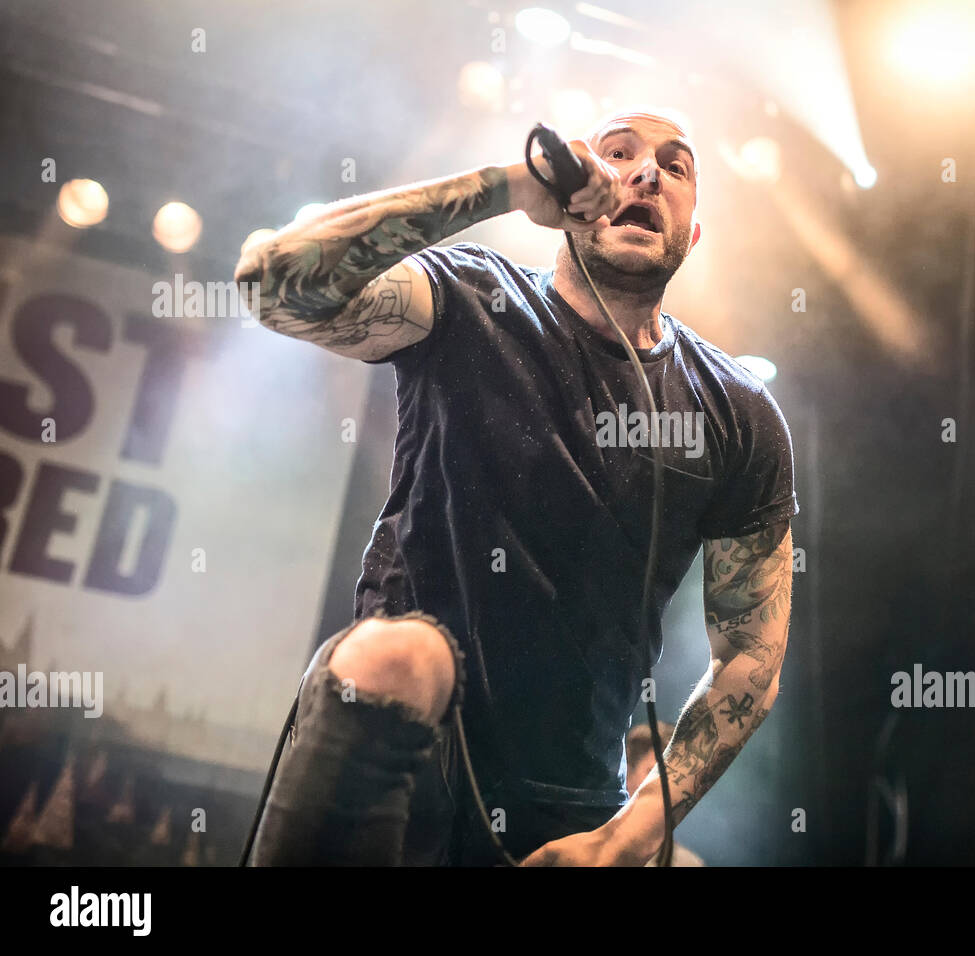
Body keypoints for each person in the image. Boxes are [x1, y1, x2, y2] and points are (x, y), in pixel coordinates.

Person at [238, 108, 798, 866]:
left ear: (693, 230)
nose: (645, 173)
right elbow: (272, 282)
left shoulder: (737, 413)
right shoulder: (473, 297)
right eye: (619, 154)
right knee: (399, 656)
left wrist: (626, 839)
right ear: (574, 199)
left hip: (569, 815)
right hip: (402, 738)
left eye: (676, 165)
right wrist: (506, 188)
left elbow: (750, 657)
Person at [625, 722, 705, 866]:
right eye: (653, 773)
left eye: (674, 778)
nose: (665, 787)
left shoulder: (688, 864)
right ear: (627, 775)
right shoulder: (586, 847)